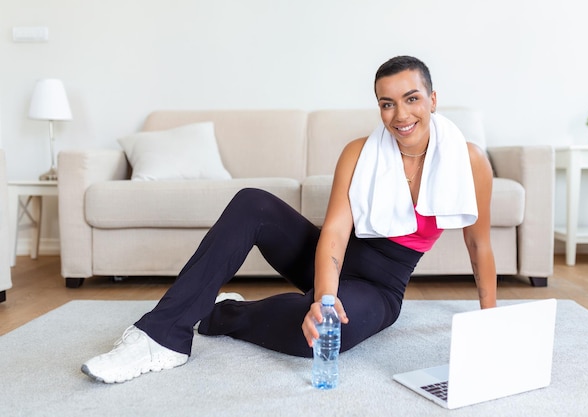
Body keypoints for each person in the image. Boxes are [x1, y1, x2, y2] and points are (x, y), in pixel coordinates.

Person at [81, 55, 497, 384]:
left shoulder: (469, 161)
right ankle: (161, 336)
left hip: (380, 286)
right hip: (328, 259)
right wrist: (324, 301)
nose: (400, 115)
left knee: (318, 340)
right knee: (253, 203)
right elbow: (334, 232)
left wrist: (488, 321)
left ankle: (221, 314)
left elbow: (479, 246)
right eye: (387, 104)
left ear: (433, 100)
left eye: (412, 99)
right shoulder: (360, 152)